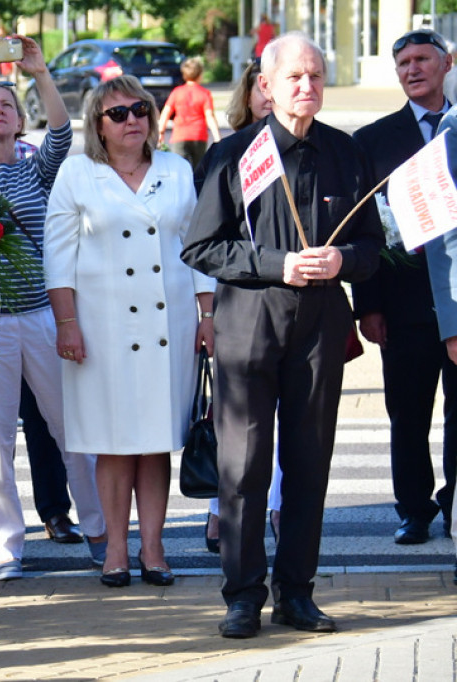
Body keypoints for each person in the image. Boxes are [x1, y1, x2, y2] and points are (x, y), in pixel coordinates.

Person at [181, 32, 383, 639]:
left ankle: (297, 593)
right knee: (243, 471)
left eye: (316, 75)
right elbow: (200, 245)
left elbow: (374, 247)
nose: (308, 86)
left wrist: (343, 259)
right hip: (249, 326)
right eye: (294, 77)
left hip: (322, 328)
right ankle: (242, 596)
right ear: (264, 86)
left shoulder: (347, 153)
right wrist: (279, 264)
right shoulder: (233, 154)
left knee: (309, 464)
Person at [0, 36, 105, 581]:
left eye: (7, 101)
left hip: (43, 319)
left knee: (70, 430)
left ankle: (101, 532)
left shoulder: (37, 170)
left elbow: (61, 132)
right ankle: (8, 550)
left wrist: (39, 72)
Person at [45, 76, 215, 588]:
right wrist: (67, 324)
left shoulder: (177, 169)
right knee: (114, 442)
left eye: (140, 109)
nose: (133, 120)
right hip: (100, 328)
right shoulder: (78, 173)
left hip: (171, 323)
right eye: (118, 113)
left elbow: (198, 249)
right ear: (98, 123)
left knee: (156, 441)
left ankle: (155, 548)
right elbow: (58, 259)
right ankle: (116, 548)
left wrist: (209, 316)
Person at [353, 28, 455, 546]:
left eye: (421, 59)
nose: (412, 70)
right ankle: (414, 510)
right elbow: (363, 230)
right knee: (408, 413)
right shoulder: (372, 140)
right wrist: (367, 306)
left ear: (447, 62)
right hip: (404, 306)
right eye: (402, 64)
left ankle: (453, 507)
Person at [195, 60, 282, 554]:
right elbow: (205, 241)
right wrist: (205, 310)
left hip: (296, 308)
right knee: (233, 421)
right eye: (261, 87)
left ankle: (279, 507)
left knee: (289, 423)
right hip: (235, 304)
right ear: (248, 94)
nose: (270, 96)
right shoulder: (225, 155)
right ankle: (218, 511)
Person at [156, 57, 221, 170]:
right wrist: (217, 137)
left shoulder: (177, 92)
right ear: (200, 74)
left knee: (179, 169)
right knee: (199, 170)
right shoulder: (204, 93)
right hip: (198, 136)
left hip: (180, 136)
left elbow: (166, 112)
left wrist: (160, 132)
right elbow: (209, 116)